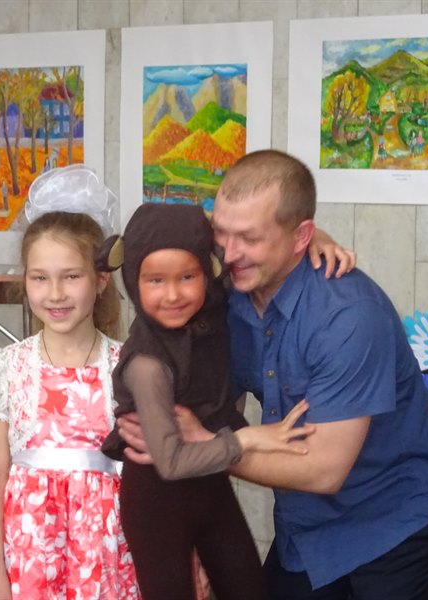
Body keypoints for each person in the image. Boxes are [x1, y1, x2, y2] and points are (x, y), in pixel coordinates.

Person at [121, 149, 428, 599]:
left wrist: (204, 446)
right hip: (306, 525)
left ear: (300, 237)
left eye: (249, 238)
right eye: (221, 231)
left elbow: (323, 470)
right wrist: (192, 542)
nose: (228, 252)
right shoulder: (222, 292)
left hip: (391, 519)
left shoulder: (349, 315)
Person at [95, 202, 315, 600]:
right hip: (157, 504)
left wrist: (320, 243)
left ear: (207, 271)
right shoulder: (147, 364)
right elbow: (172, 462)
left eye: (187, 276)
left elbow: (263, 248)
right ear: (131, 279)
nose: (173, 294)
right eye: (155, 280)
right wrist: (247, 439)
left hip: (211, 488)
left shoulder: (211, 307)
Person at [0, 167, 139, 599]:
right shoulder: (7, 368)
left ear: (101, 280)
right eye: (40, 277)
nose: (55, 293)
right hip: (30, 561)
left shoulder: (128, 366)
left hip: (108, 561)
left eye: (71, 276)